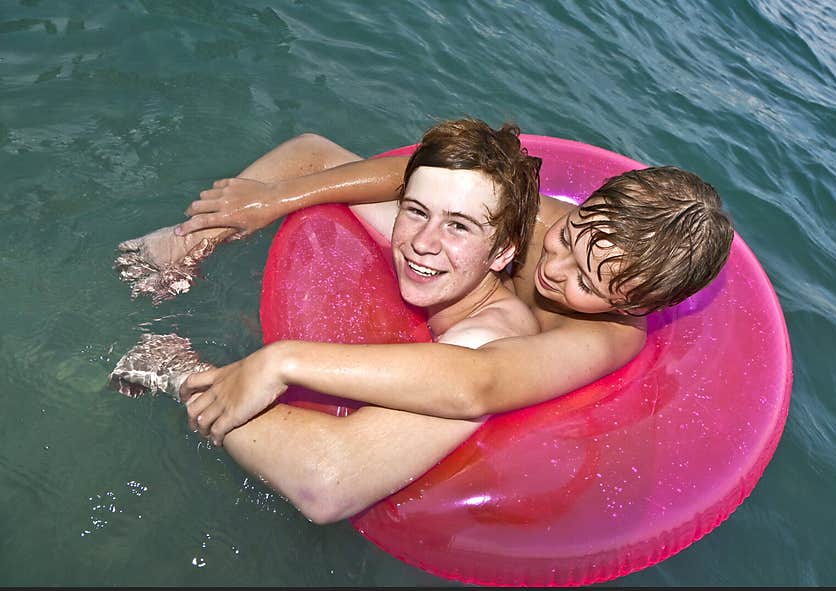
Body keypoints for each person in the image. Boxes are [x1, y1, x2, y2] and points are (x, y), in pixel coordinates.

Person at [113, 120, 734, 524]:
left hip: (490, 356)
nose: (555, 266)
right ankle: (180, 247)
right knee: (310, 158)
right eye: (570, 237)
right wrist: (270, 200)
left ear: (635, 307)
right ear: (586, 210)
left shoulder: (603, 337)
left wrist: (282, 360)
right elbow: (411, 175)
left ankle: (178, 368)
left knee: (327, 482)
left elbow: (479, 382)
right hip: (468, 304)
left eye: (587, 282)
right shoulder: (555, 229)